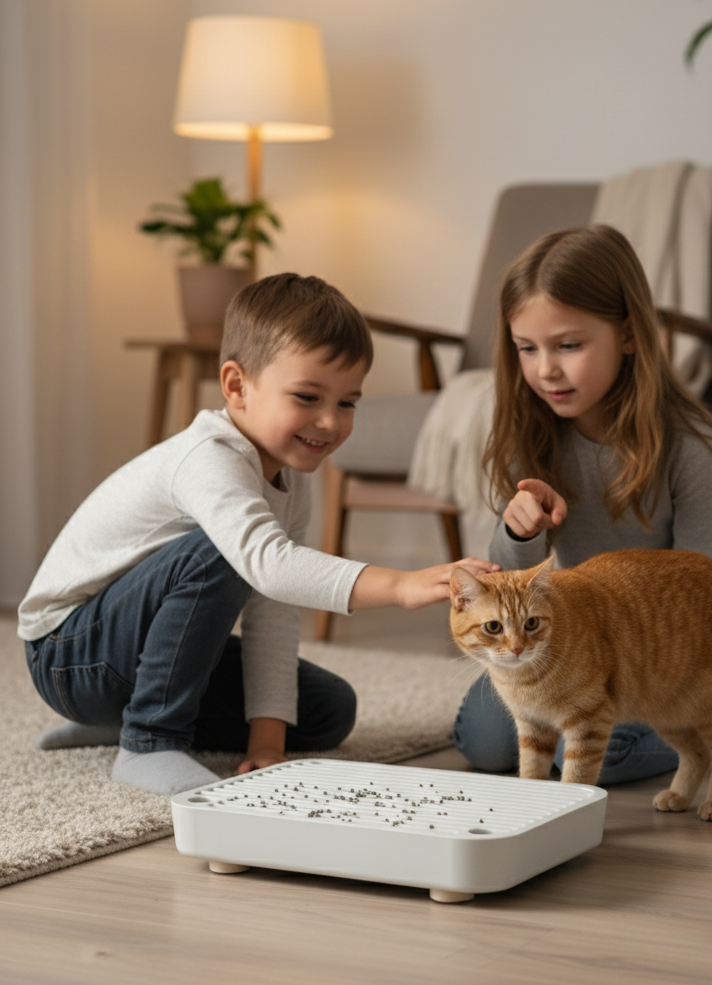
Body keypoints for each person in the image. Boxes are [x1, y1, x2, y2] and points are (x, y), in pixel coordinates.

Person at [19, 272, 498, 796]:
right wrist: (402, 586)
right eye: (308, 396)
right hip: (68, 654)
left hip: (127, 658)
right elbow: (269, 565)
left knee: (326, 710)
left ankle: (123, 718)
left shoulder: (289, 476)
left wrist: (267, 742)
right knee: (218, 554)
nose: (329, 422)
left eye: (347, 403)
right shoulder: (208, 459)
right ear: (236, 386)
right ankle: (149, 739)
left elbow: (274, 601)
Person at [453, 224, 712, 783]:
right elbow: (500, 590)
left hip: (652, 662)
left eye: (568, 345)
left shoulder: (691, 442)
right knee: (482, 744)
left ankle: (699, 734)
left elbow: (708, 594)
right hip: (553, 644)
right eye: (527, 349)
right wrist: (520, 532)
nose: (545, 369)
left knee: (581, 756)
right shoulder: (529, 430)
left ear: (629, 335)